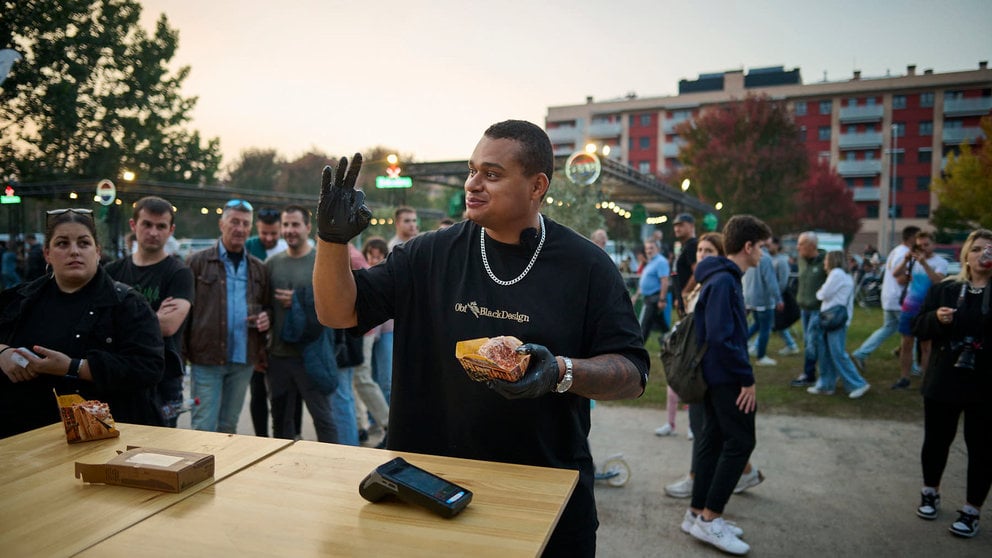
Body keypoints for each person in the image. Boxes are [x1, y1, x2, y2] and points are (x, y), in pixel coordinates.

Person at [312, 120, 648, 557]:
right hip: (429, 490)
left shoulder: (587, 266)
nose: (474, 184)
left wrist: (560, 372)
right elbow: (337, 311)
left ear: (536, 186)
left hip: (542, 497)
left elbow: (633, 372)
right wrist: (331, 241)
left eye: (492, 174)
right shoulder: (428, 254)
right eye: (472, 171)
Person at [0, 209, 164, 437]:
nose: (74, 251)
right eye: (62, 243)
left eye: (84, 243)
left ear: (97, 251)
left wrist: (73, 367)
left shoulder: (127, 304)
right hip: (26, 438)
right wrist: (3, 353)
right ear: (47, 253)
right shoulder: (19, 300)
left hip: (104, 439)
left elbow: (149, 368)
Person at [684, 214, 769, 555]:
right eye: (761, 246)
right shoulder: (724, 282)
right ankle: (710, 519)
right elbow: (721, 337)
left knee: (714, 441)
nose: (763, 252)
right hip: (725, 378)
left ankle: (696, 514)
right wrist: (746, 379)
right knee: (741, 442)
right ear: (748, 247)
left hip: (716, 376)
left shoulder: (720, 278)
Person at [664, 233, 764, 499]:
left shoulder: (717, 282)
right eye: (699, 250)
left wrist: (745, 375)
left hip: (708, 369)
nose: (702, 255)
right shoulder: (705, 281)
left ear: (722, 254)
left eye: (709, 250)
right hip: (701, 367)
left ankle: (702, 483)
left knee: (711, 432)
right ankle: (715, 489)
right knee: (710, 431)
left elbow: (717, 333)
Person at [912, 229, 992, 539]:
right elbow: (918, 327)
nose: (984, 255)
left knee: (983, 449)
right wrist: (936, 319)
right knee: (935, 440)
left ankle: (972, 510)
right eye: (979, 249)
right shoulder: (944, 290)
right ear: (967, 255)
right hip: (944, 378)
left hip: (985, 384)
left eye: (990, 250)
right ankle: (930, 491)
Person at [104, 196, 194, 427]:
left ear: (171, 230)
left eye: (161, 226)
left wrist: (120, 321)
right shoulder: (112, 271)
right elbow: (100, 324)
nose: (153, 232)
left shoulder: (179, 273)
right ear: (134, 226)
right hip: (119, 375)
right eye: (147, 224)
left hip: (164, 378)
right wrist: (153, 317)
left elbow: (168, 326)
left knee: (161, 454)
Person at [185, 199, 271, 433]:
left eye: (245, 224)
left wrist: (266, 318)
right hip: (206, 358)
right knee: (203, 425)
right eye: (234, 222)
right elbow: (186, 313)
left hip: (243, 359)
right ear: (221, 224)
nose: (240, 228)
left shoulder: (258, 268)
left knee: (228, 427)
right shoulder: (197, 262)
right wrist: (182, 355)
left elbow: (266, 306)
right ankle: (199, 470)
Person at [265, 205, 338, 442]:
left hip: (312, 355)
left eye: (295, 224)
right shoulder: (273, 263)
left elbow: (336, 301)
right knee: (280, 423)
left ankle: (335, 471)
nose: (289, 230)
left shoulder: (321, 260)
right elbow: (266, 305)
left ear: (308, 227)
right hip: (279, 355)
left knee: (324, 420)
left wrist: (299, 301)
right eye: (285, 225)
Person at [245, 206, 290, 438]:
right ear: (257, 228)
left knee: (284, 393)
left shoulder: (288, 247)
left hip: (281, 329)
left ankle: (287, 436)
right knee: (257, 390)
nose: (270, 238)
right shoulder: (248, 246)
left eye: (274, 233)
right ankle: (260, 437)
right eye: (264, 233)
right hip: (255, 329)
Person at [851, 226, 920, 373]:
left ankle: (861, 353)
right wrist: (918, 280)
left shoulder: (896, 251)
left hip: (890, 297)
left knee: (888, 328)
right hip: (899, 299)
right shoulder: (904, 254)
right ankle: (912, 366)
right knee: (910, 332)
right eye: (918, 238)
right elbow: (900, 278)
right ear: (912, 238)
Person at [806, 251, 870, 398]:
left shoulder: (836, 274)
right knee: (828, 353)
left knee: (837, 353)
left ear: (833, 261)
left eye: (826, 260)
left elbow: (822, 294)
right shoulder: (844, 275)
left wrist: (820, 291)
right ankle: (826, 385)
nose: (824, 263)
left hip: (833, 319)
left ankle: (858, 383)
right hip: (836, 319)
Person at [891, 230, 947, 390]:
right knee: (906, 343)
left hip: (928, 309)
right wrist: (905, 260)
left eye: (926, 245)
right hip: (909, 306)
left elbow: (938, 282)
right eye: (920, 245)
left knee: (926, 347)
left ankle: (926, 379)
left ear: (933, 244)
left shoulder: (940, 262)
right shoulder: (914, 260)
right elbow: (895, 274)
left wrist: (924, 264)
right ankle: (904, 378)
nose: (923, 248)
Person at [790, 232, 827, 388]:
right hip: (804, 308)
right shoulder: (801, 260)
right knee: (809, 342)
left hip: (817, 309)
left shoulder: (825, 262)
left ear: (812, 246)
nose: (798, 247)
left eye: (801, 244)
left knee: (813, 343)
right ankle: (814, 372)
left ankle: (810, 374)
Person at [362, 237, 394, 404]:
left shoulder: (388, 277)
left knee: (385, 377)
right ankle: (373, 418)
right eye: (371, 255)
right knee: (370, 376)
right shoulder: (366, 274)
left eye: (378, 256)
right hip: (370, 333)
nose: (374, 260)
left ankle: (388, 417)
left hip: (386, 331)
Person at [743, 244, 782, 366]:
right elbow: (771, 280)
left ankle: (740, 344)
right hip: (763, 300)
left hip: (750, 299)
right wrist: (778, 299)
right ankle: (761, 356)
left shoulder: (748, 256)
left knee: (757, 325)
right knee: (765, 328)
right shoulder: (765, 258)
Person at [633, 238, 671, 343]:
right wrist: (636, 296)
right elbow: (645, 281)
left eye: (651, 248)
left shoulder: (661, 261)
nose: (649, 251)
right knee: (662, 326)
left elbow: (664, 281)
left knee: (644, 325)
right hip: (649, 298)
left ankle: (638, 348)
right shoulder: (651, 262)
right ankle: (672, 342)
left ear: (658, 249)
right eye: (647, 248)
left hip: (654, 298)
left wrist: (662, 299)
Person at [768, 237, 799, 355]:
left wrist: (777, 296)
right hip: (772, 295)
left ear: (776, 245)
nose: (768, 247)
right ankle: (791, 344)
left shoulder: (782, 260)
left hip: (780, 296)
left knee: (774, 322)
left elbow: (783, 281)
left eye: (770, 244)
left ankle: (791, 344)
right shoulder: (770, 259)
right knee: (775, 322)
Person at [671, 213, 698, 318]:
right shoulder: (685, 246)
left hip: (689, 298)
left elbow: (697, 272)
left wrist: (684, 294)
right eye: (675, 225)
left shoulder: (692, 245)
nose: (677, 228)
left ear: (691, 226)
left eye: (681, 225)